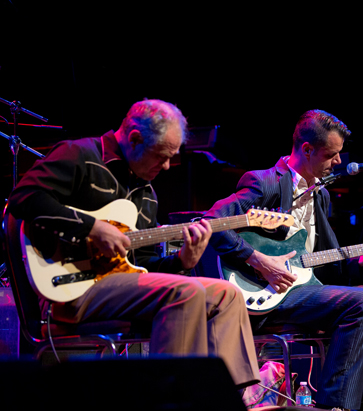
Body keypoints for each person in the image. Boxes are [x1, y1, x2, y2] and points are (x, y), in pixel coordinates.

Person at [6, 99, 260, 389]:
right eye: (161, 156)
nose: (167, 166)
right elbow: (23, 198)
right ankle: (171, 398)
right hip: (70, 285)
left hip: (118, 286)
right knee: (186, 292)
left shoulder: (146, 194)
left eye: (171, 157)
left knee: (227, 294)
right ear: (135, 139)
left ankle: (231, 396)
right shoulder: (81, 155)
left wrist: (182, 261)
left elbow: (144, 266)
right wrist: (91, 227)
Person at [202, 109, 363, 411]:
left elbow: (317, 264)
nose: (338, 161)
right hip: (267, 293)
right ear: (307, 149)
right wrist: (258, 261)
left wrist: (359, 262)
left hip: (304, 289)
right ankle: (336, 405)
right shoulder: (265, 183)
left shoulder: (321, 195)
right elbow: (211, 222)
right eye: (331, 154)